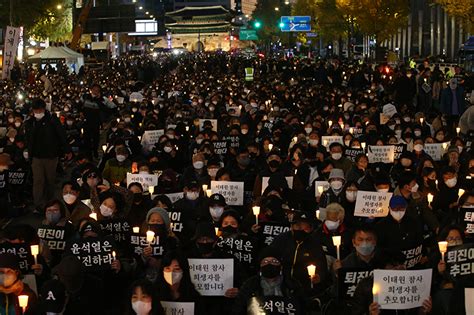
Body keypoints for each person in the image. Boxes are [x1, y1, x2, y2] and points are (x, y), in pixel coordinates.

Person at [24, 98, 71, 209]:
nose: (38, 113)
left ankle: (50, 202)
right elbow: (28, 139)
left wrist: (67, 150)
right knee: (38, 181)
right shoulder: (30, 123)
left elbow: (61, 135)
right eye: (36, 111)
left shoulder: (52, 120)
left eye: (39, 110)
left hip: (51, 156)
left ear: (44, 109)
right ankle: (39, 205)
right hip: (36, 157)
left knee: (50, 180)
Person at [231, 246, 305, 315]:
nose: (269, 264)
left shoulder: (292, 284)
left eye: (274, 261)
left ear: (281, 266)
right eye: (265, 262)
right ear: (260, 266)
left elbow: (302, 307)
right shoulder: (250, 284)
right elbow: (238, 308)